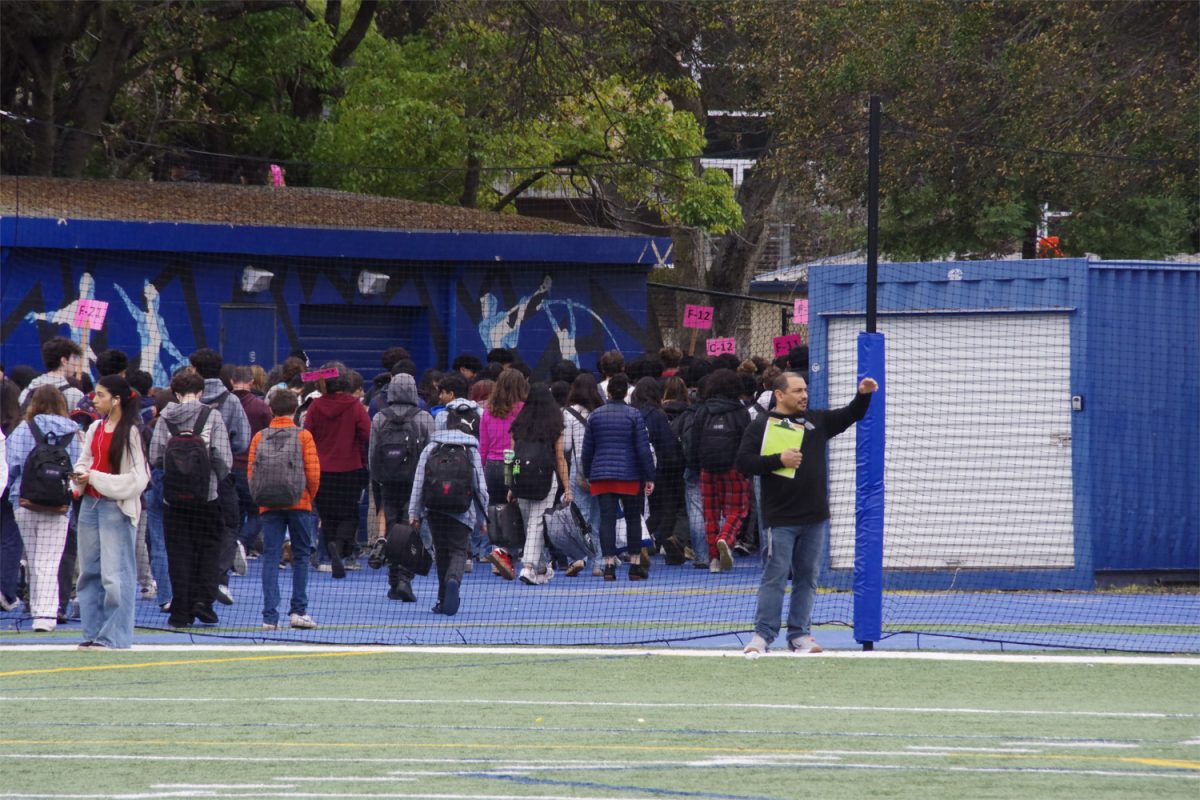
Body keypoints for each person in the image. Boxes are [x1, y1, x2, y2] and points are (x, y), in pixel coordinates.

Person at [738, 372, 878, 656]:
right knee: (775, 576)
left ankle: (799, 635)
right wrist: (779, 460)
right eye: (797, 390)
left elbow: (851, 414)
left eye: (805, 390)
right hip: (780, 518)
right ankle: (763, 636)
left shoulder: (817, 421)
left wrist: (863, 394)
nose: (804, 395)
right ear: (779, 394)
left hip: (814, 517)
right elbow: (743, 462)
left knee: (807, 578)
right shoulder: (762, 425)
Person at [69, 376, 150, 649]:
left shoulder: (131, 433)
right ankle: (91, 633)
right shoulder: (95, 428)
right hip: (89, 507)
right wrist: (80, 477)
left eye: (100, 395)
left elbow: (138, 480)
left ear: (116, 400)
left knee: (114, 575)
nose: (94, 399)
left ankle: (114, 636)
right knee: (89, 574)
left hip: (116, 508)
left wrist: (93, 478)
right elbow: (84, 462)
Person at [149, 367, 233, 628]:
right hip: (206, 497)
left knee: (178, 553)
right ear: (201, 392)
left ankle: (180, 612)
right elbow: (223, 458)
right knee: (209, 549)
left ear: (174, 392)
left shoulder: (165, 418)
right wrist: (212, 480)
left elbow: (155, 457)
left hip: (173, 498)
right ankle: (203, 601)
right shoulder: (212, 415)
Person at [5, 385, 81, 630]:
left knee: (34, 557)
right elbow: (78, 468)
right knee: (49, 560)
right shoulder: (74, 432)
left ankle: (38, 609)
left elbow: (12, 465)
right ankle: (46, 616)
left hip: (24, 502)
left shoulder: (23, 430)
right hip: (58, 505)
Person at [248, 388, 320, 631]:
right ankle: (298, 612)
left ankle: (270, 617)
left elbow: (251, 472)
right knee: (300, 555)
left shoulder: (259, 437)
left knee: (271, 556)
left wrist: (260, 497)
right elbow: (313, 473)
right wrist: (308, 497)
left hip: (269, 504)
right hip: (299, 503)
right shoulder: (304, 436)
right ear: (295, 409)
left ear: (271, 409)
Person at [407, 407, 490, 615]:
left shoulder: (432, 448)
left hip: (434, 510)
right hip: (463, 511)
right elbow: (481, 488)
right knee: (458, 551)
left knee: (442, 553)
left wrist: (414, 514)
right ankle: (454, 580)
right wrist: (483, 519)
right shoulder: (471, 450)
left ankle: (442, 599)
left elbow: (418, 482)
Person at [189, 348, 250, 605]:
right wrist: (224, 453)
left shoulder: (184, 401)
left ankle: (194, 583)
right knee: (228, 525)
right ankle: (219, 577)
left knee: (192, 529)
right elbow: (243, 439)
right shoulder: (232, 401)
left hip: (188, 476)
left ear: (195, 370)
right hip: (222, 475)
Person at [580, 374, 655, 581]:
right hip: (630, 475)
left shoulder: (595, 415)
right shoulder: (634, 415)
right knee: (633, 519)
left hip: (602, 475)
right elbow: (643, 449)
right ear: (627, 393)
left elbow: (587, 450)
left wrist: (588, 473)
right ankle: (635, 565)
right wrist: (649, 476)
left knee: (607, 520)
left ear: (608, 392)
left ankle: (609, 565)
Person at [368, 373, 433, 600]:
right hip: (415, 482)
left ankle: (393, 581)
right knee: (411, 527)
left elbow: (372, 454)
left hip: (388, 481)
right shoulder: (423, 418)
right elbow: (430, 454)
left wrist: (377, 479)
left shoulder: (379, 418)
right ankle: (406, 577)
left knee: (393, 527)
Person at [304, 363, 371, 580]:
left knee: (327, 514)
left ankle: (330, 549)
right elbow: (367, 433)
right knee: (350, 514)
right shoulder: (354, 405)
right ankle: (341, 547)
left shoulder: (315, 406)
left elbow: (307, 435)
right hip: (350, 467)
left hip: (321, 469)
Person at [688, 368, 752, 573]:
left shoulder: (703, 410)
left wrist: (694, 465)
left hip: (707, 468)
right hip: (735, 467)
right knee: (737, 510)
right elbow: (747, 441)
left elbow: (693, 440)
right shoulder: (740, 411)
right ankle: (725, 538)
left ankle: (713, 559)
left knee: (710, 513)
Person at [507, 385, 572, 585]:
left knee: (529, 523)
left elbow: (511, 457)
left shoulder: (518, 425)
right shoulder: (555, 425)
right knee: (536, 523)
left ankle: (542, 567)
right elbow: (560, 458)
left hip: (522, 477)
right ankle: (528, 567)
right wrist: (567, 487)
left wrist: (510, 484)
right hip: (545, 477)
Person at [630, 376, 685, 565]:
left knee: (651, 510)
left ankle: (640, 540)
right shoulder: (657, 414)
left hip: (636, 469)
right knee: (667, 508)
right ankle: (660, 540)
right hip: (661, 471)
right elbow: (668, 446)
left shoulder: (632, 412)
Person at [479, 369, 528, 579]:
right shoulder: (523, 410)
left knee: (495, 510)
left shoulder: (488, 410)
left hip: (492, 465)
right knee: (515, 510)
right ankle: (513, 553)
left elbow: (483, 445)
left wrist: (481, 471)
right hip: (513, 463)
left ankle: (498, 552)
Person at [562, 373, 604, 573]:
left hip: (578, 467)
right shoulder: (601, 411)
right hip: (602, 468)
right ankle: (600, 562)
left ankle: (578, 557)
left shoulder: (568, 413)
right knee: (599, 517)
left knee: (579, 516)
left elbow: (566, 446)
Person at [230, 365, 272, 564]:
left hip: (227, 468)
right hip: (252, 468)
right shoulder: (261, 407)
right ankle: (242, 542)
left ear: (231, 381)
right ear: (251, 382)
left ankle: (231, 549)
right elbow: (269, 436)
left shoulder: (223, 404)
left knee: (234, 514)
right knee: (259, 512)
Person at [19, 337, 86, 410]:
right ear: (64, 361)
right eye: (74, 358)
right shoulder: (75, 395)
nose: (76, 363)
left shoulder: (27, 391)